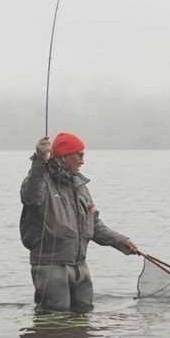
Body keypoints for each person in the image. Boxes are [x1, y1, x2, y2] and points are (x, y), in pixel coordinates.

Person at [20, 132, 139, 312]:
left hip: (80, 267)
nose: (83, 161)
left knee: (84, 316)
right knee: (54, 319)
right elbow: (31, 197)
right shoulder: (40, 180)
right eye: (79, 155)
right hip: (50, 267)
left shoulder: (81, 187)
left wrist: (121, 241)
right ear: (64, 157)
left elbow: (94, 225)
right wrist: (39, 160)